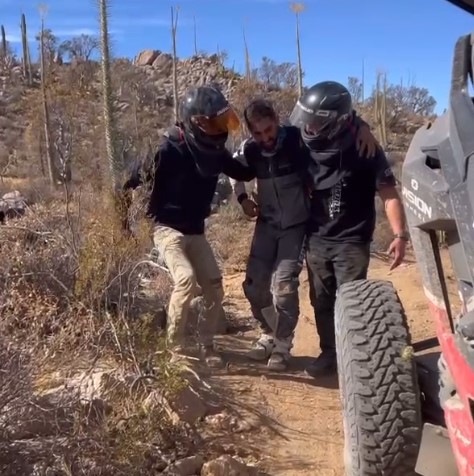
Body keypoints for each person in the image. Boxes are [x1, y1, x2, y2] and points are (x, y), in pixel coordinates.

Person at [230, 98, 379, 371]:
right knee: (252, 286)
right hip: (266, 224)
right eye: (258, 133)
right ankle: (269, 333)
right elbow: (233, 171)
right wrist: (241, 198)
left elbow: (335, 121)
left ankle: (284, 345)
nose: (265, 137)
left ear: (277, 120)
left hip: (297, 225)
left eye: (269, 130)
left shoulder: (297, 139)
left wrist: (362, 125)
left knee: (284, 286)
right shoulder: (250, 149)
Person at [123, 85, 254, 368]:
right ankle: (176, 351)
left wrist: (264, 147)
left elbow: (244, 171)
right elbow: (124, 183)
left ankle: (208, 346)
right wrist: (123, 227)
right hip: (166, 228)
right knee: (185, 280)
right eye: (213, 121)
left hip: (195, 230)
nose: (220, 129)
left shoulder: (215, 153)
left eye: (222, 121)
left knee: (215, 288)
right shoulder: (166, 149)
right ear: (195, 121)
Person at [289, 80, 408, 377]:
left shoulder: (363, 146)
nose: (310, 127)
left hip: (352, 240)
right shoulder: (303, 141)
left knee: (353, 303)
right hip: (316, 237)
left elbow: (388, 192)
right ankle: (330, 353)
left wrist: (400, 235)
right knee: (321, 300)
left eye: (317, 122)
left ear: (337, 122)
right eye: (308, 120)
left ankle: (355, 359)